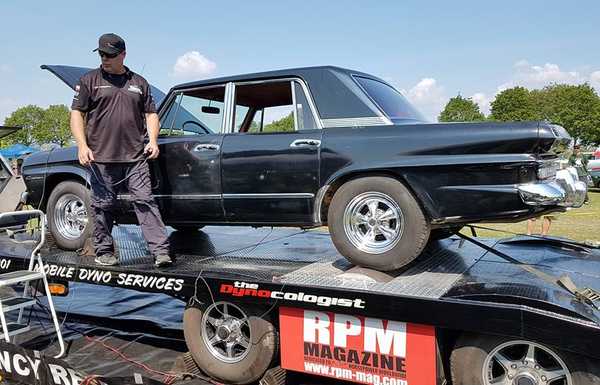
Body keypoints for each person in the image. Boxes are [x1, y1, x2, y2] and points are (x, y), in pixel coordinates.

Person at [70, 33, 172, 267]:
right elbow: (77, 113)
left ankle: (160, 252)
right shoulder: (89, 80)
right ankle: (104, 250)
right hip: (101, 156)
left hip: (135, 156)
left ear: (123, 55)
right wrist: (82, 145)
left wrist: (153, 141)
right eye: (102, 54)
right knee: (103, 205)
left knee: (145, 200)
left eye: (110, 55)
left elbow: (151, 114)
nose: (105, 58)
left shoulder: (139, 82)